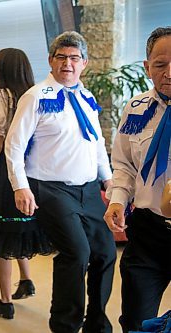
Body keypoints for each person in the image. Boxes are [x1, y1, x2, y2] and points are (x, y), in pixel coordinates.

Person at [5, 31, 116, 333]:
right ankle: (65, 325)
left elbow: (96, 142)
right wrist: (20, 186)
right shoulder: (35, 96)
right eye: (62, 57)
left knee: (105, 252)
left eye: (74, 58)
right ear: (51, 61)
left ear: (84, 63)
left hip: (88, 189)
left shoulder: (88, 97)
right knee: (77, 253)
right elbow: (14, 145)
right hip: (50, 189)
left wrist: (108, 179)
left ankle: (97, 323)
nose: (68, 63)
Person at [0, 48, 52, 320]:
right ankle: (26, 279)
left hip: (6, 176)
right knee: (20, 226)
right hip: (33, 172)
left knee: (0, 237)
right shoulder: (35, 94)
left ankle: (5, 301)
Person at [104, 26, 171, 333]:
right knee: (135, 318)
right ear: (147, 68)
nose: (169, 72)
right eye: (160, 64)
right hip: (148, 230)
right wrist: (117, 200)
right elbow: (124, 164)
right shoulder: (135, 109)